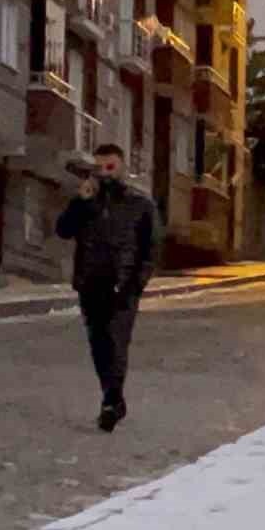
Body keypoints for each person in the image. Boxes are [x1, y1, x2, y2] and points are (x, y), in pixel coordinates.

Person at [55, 143, 160, 432]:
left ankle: (111, 403)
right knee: (99, 345)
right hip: (90, 283)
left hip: (123, 286)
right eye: (100, 167)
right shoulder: (88, 199)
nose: (105, 173)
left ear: (122, 166)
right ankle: (114, 398)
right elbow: (63, 230)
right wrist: (80, 202)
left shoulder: (141, 204)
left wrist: (137, 284)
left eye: (110, 166)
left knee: (117, 343)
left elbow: (151, 249)